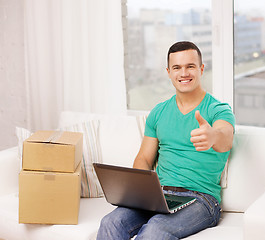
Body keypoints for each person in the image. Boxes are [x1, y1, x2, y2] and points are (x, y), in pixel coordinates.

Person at [97, 41, 235, 240]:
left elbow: (226, 138)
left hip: (201, 199)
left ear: (201, 69)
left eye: (190, 66)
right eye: (177, 68)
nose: (184, 73)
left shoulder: (218, 109)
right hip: (159, 196)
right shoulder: (159, 112)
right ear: (169, 72)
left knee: (155, 229)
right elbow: (144, 158)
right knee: (110, 222)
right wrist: (139, 193)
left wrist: (212, 136)